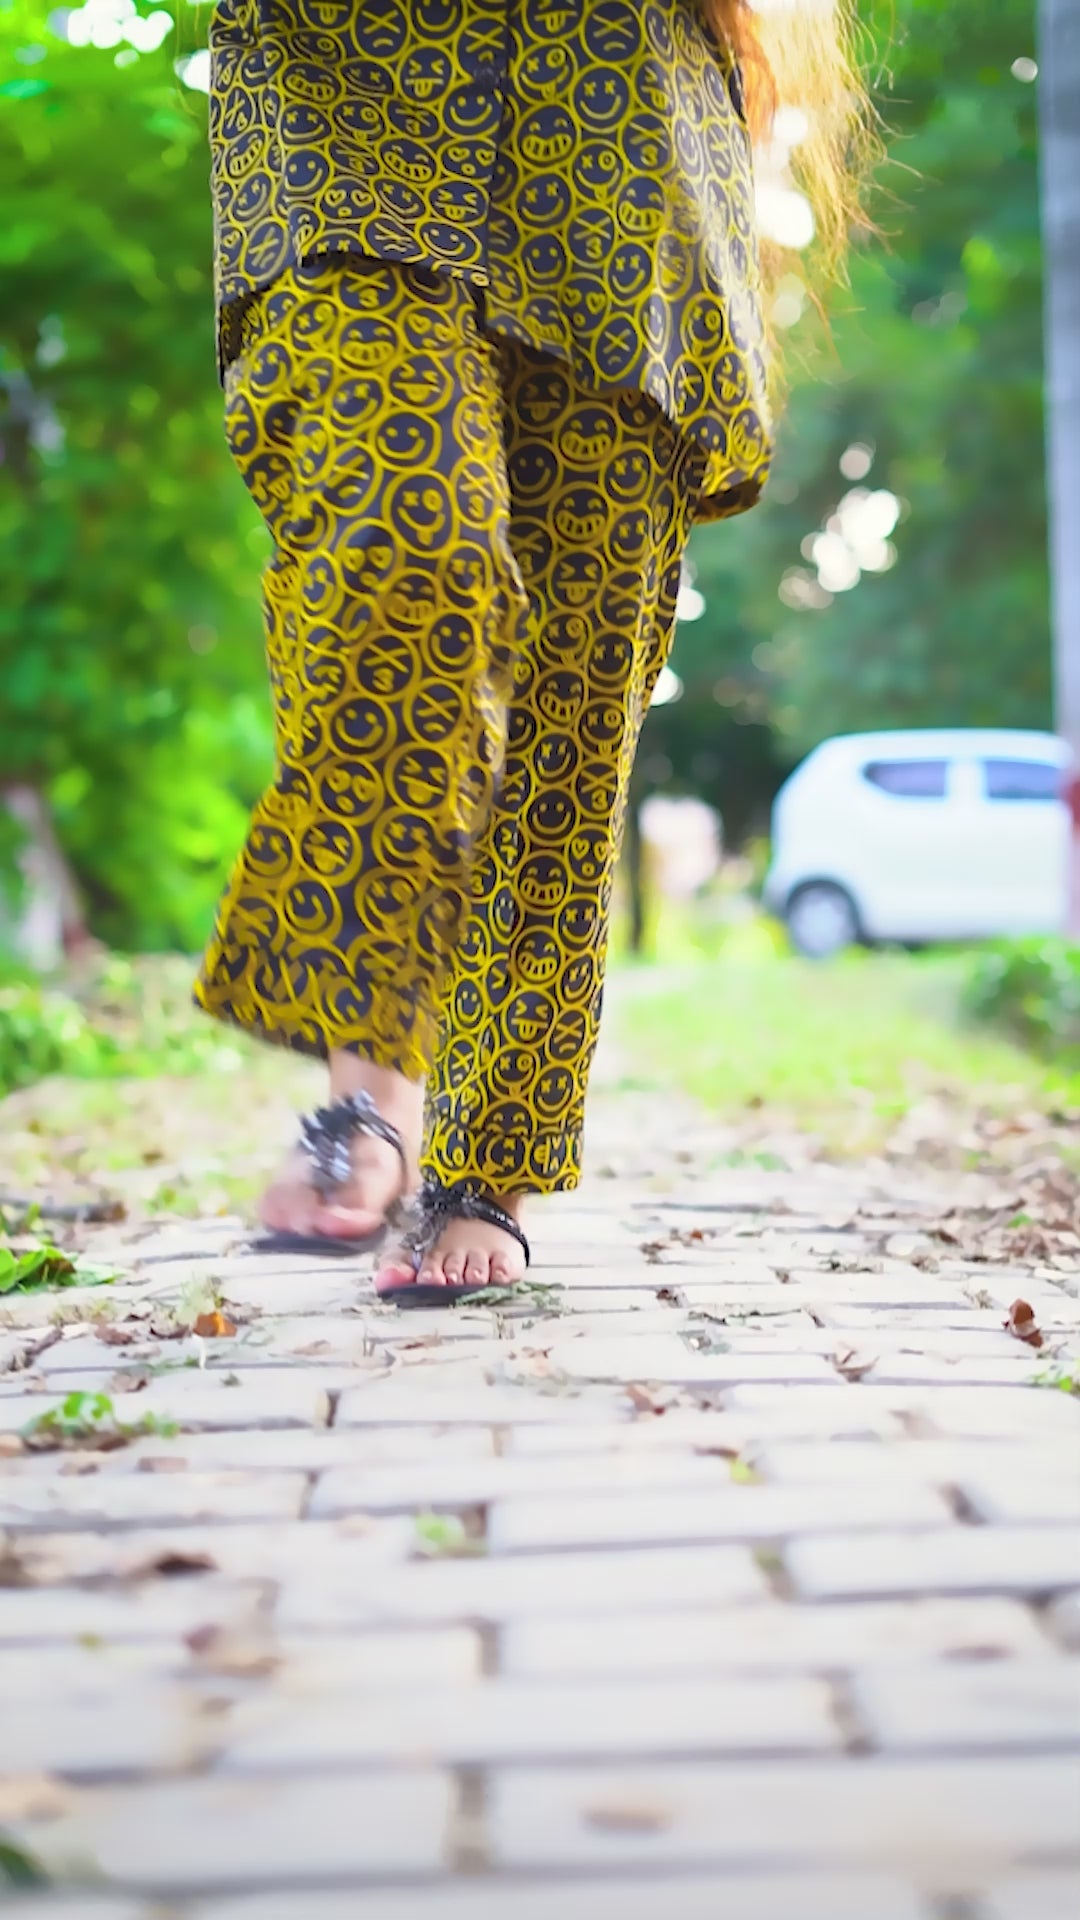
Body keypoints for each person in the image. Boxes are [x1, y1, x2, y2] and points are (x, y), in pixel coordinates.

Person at [195, 0, 866, 1301]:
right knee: (404, 554)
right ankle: (370, 1090)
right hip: (350, 124)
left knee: (572, 707)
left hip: (616, 155)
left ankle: (485, 1170)